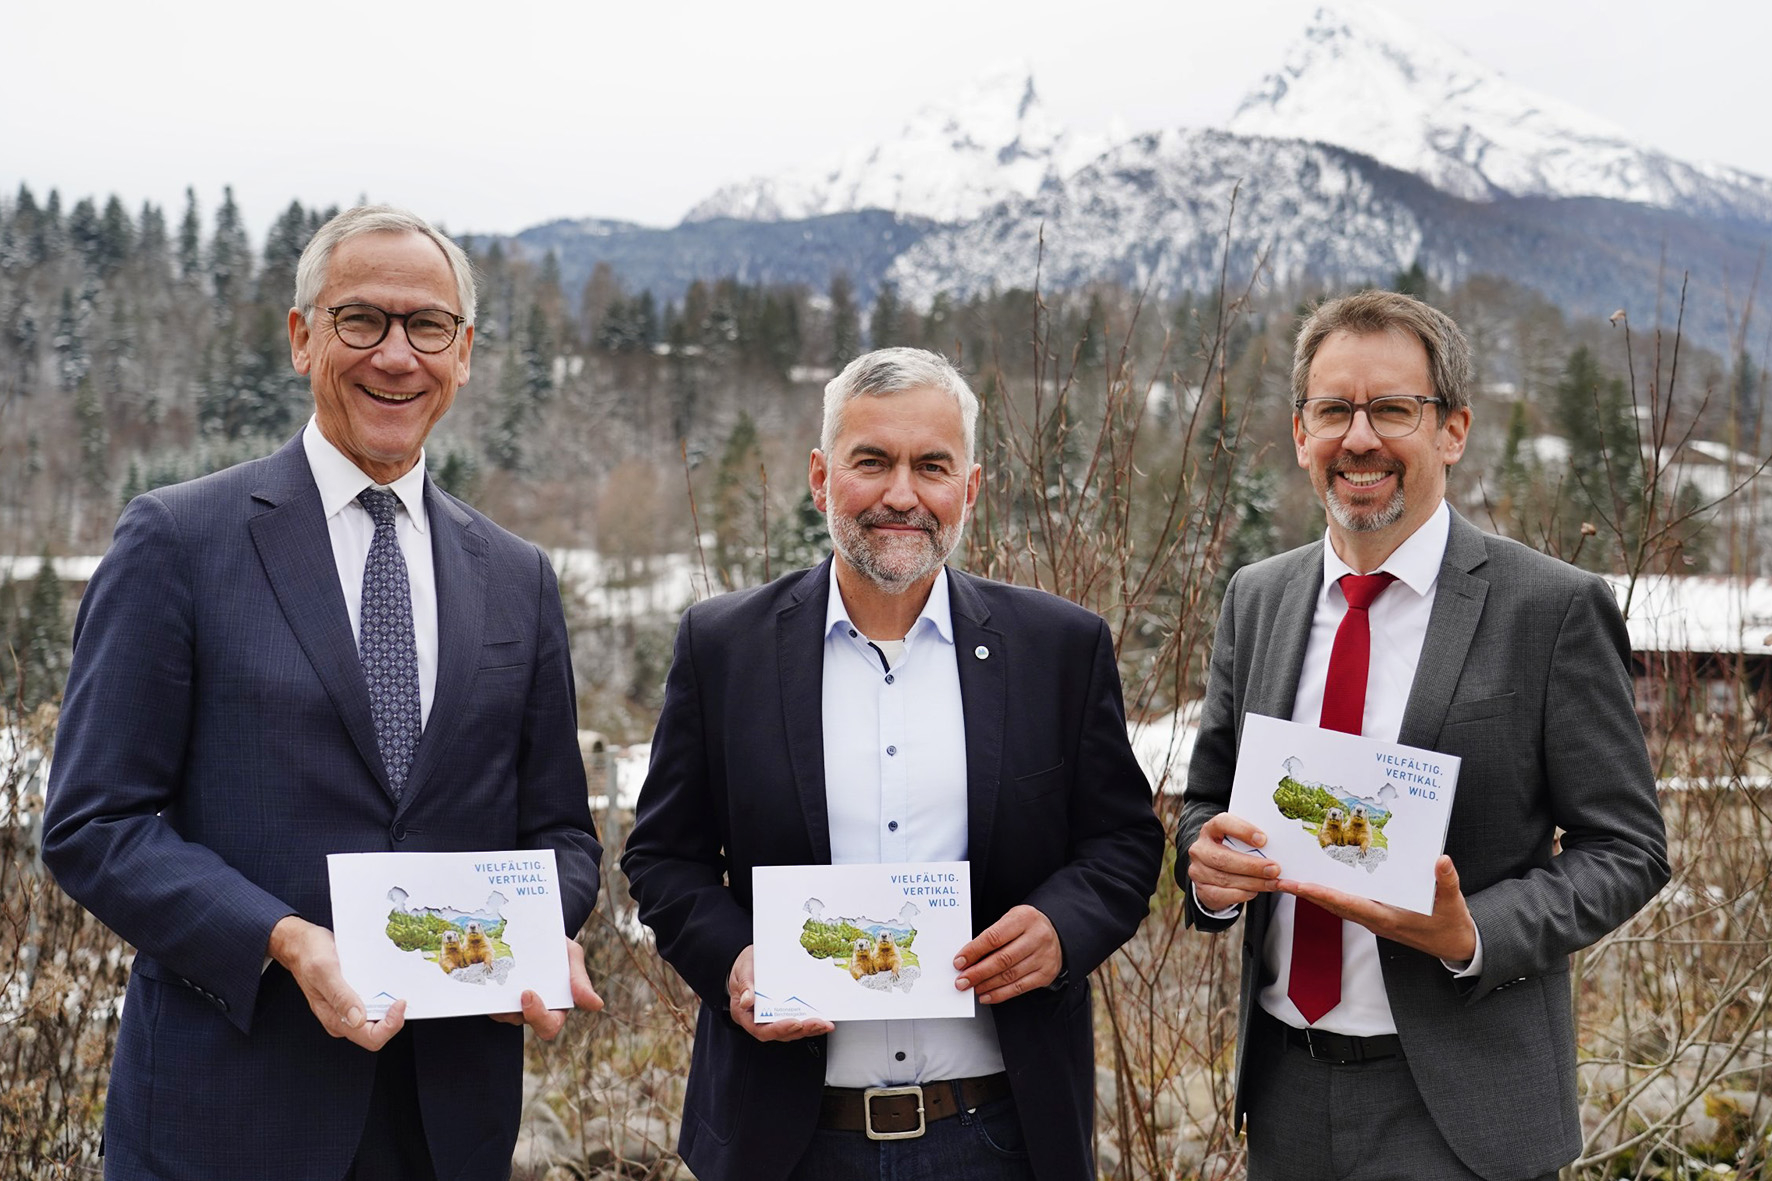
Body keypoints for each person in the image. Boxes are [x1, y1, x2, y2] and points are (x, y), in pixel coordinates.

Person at [42, 205, 604, 1180]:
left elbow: (558, 833)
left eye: (427, 326)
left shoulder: (516, 574)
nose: (396, 355)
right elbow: (95, 821)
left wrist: (531, 927)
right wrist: (287, 940)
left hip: (448, 1124)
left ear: (463, 354)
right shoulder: (178, 542)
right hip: (229, 1116)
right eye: (361, 320)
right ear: (302, 336)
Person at [621, 347, 1163, 1181]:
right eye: (871, 461)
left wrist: (1062, 927)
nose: (901, 494)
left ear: (971, 488)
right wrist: (732, 960)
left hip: (1003, 1134)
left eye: (931, 465)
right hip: (785, 1141)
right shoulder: (723, 647)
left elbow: (1124, 845)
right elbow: (663, 858)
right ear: (820, 475)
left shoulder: (1059, 648)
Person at [1178, 290, 1670, 1181]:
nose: (1359, 437)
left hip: (1461, 1109)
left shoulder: (1548, 608)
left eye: (1393, 409)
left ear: (1452, 430)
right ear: (1301, 432)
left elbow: (1630, 847)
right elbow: (1207, 800)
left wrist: (1470, 930)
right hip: (1285, 1094)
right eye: (1334, 410)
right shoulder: (1259, 597)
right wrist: (1208, 871)